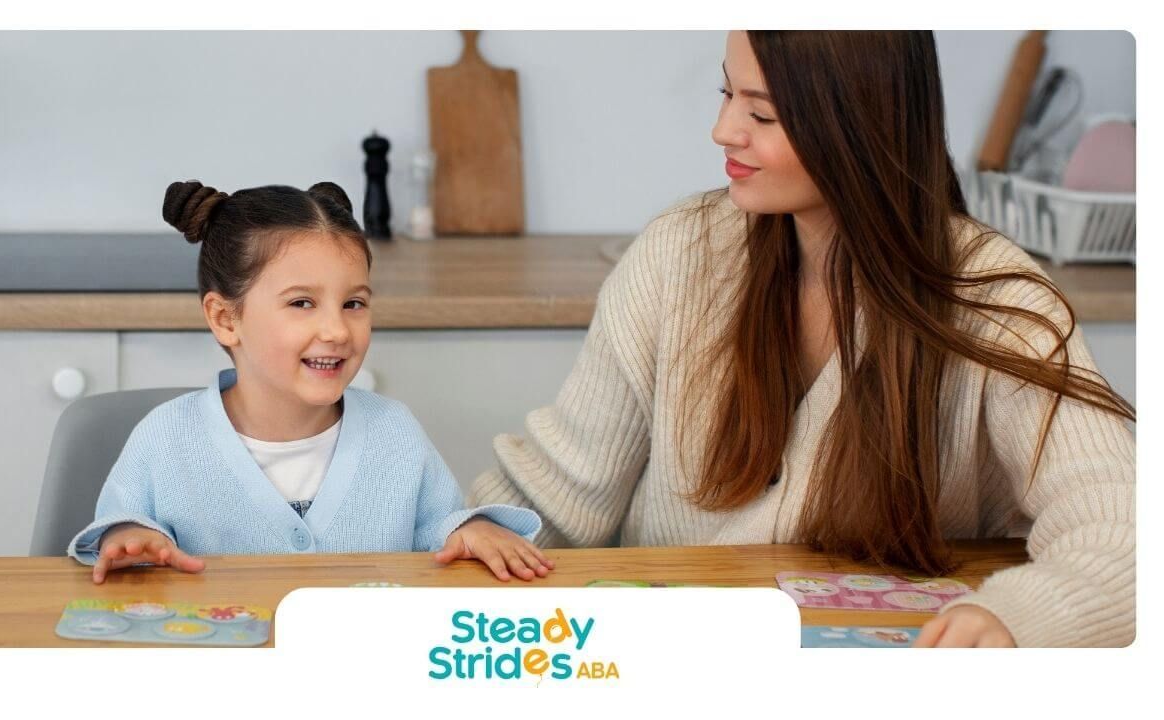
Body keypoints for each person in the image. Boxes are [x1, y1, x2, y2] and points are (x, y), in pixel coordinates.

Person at [470, 31, 1135, 647]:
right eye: (727, 94)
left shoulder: (999, 299)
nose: (723, 130)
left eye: (762, 115)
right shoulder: (678, 255)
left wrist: (1014, 620)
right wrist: (469, 527)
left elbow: (1122, 530)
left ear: (857, 128)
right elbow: (558, 490)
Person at [69, 180, 554, 584]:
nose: (337, 331)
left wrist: (469, 531)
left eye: (354, 303)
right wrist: (131, 540)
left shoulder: (395, 432)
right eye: (302, 303)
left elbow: (441, 532)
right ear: (225, 318)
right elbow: (119, 534)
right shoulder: (164, 439)